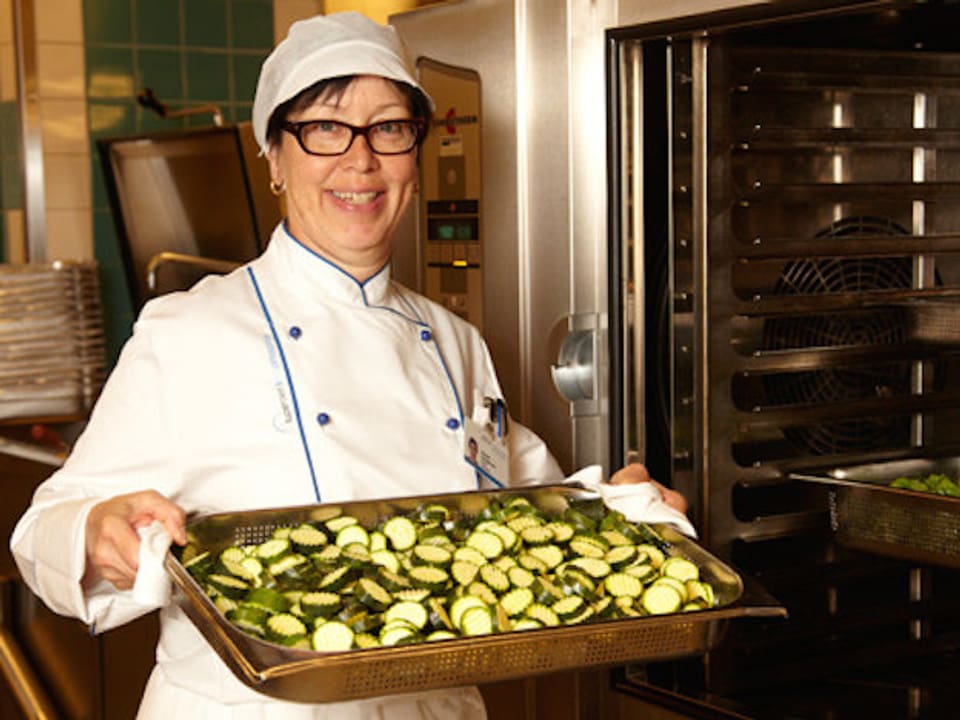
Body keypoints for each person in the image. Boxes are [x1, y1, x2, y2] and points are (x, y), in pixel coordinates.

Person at [10, 11, 687, 720]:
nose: (360, 161)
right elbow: (41, 534)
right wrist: (94, 534)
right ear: (274, 156)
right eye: (325, 128)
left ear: (416, 156)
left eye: (389, 128)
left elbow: (528, 516)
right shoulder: (189, 332)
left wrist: (624, 511)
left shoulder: (456, 340)